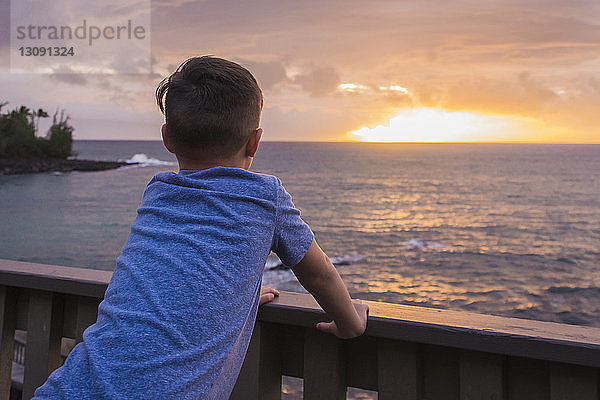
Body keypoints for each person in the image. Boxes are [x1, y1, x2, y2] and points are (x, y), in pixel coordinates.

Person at [33, 56, 368, 400]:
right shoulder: (266, 197)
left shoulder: (158, 191)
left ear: (167, 138)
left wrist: (242, 294)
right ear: (255, 142)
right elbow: (319, 274)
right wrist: (350, 321)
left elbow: (176, 262)